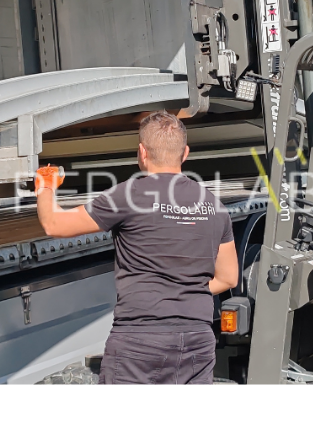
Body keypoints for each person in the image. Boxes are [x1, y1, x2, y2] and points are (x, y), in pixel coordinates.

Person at [34, 110, 238, 384]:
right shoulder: (215, 206)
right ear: (185, 153)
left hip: (141, 341)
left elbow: (55, 225)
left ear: (142, 152)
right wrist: (182, 292)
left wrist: (45, 187)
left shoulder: (129, 195)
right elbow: (228, 277)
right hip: (196, 341)